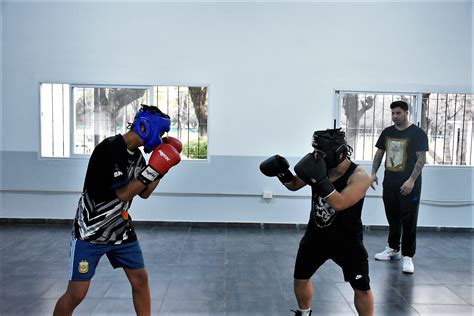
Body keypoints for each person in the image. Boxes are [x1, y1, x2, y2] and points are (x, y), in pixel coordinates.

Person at [53, 104, 182, 316]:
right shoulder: (109, 149)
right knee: (76, 293)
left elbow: (145, 192)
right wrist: (154, 168)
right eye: (160, 132)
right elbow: (124, 193)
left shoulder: (138, 156)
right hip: (90, 232)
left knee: (140, 279)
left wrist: (162, 169)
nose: (160, 138)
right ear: (144, 127)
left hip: (120, 229)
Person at [260, 128, 375, 316]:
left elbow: (339, 203)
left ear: (338, 153)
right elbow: (294, 185)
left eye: (321, 152)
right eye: (315, 151)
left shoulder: (359, 176)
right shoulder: (318, 164)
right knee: (300, 279)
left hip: (347, 241)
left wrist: (319, 179)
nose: (316, 156)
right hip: (316, 236)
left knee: (361, 287)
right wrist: (282, 173)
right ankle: (304, 313)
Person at [371, 100, 428, 274]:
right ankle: (393, 249)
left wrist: (411, 181)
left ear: (406, 112)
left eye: (398, 113)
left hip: (409, 185)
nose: (395, 116)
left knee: (409, 220)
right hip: (390, 183)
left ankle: (408, 256)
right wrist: (373, 173)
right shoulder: (387, 132)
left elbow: (421, 159)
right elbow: (379, 154)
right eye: (393, 113)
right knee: (393, 218)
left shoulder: (417, 133)